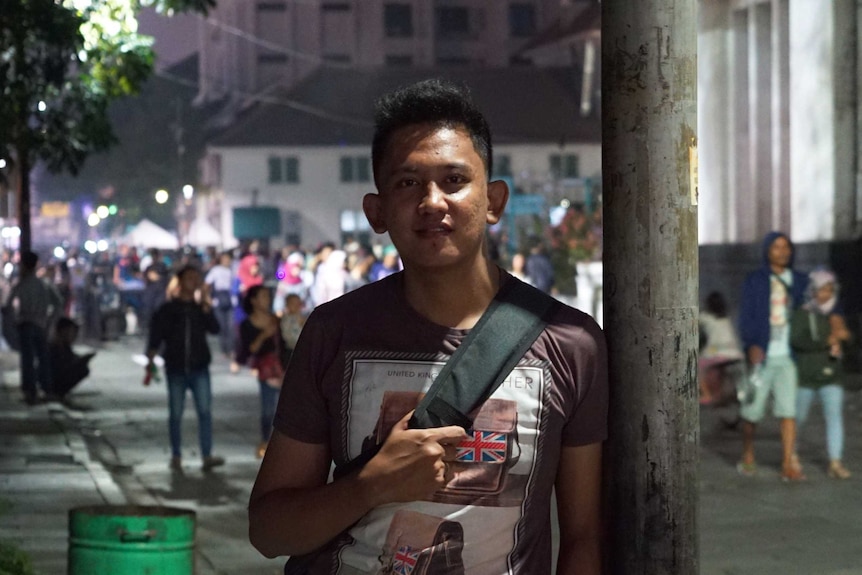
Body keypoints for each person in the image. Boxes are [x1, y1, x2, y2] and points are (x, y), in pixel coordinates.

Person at [248, 78, 608, 574]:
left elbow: (584, 541)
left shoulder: (571, 344)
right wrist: (371, 484)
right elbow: (269, 531)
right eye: (408, 183)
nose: (432, 201)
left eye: (454, 180)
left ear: (494, 201)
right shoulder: (334, 331)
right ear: (376, 212)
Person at [737, 232, 809, 481]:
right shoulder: (756, 280)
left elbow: (816, 308)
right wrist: (751, 345)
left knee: (788, 411)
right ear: (767, 250)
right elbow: (745, 315)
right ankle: (748, 453)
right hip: (762, 356)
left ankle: (788, 462)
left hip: (788, 357)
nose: (782, 251)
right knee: (751, 412)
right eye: (777, 247)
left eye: (786, 246)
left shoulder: (800, 280)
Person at [145, 265, 225, 472]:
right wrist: (152, 353)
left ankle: (207, 455)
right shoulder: (168, 308)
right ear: (180, 282)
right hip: (176, 367)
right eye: (189, 278)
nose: (193, 281)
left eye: (196, 278)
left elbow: (215, 329)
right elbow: (157, 332)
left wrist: (207, 306)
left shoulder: (200, 308)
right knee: (175, 413)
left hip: (199, 367)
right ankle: (176, 455)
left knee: (205, 412)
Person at [790, 268, 852, 479]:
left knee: (834, 417)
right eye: (821, 290)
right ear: (812, 290)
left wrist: (845, 337)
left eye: (829, 290)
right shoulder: (803, 312)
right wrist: (823, 342)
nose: (825, 295)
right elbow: (796, 340)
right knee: (798, 418)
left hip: (831, 374)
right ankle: (791, 454)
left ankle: (835, 462)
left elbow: (849, 341)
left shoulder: (837, 313)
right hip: (806, 375)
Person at [237, 285, 287, 459]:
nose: (267, 299)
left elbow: (286, 344)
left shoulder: (277, 319)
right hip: (265, 370)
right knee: (267, 409)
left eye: (268, 296)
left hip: (284, 367)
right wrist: (264, 334)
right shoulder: (247, 324)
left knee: (287, 408)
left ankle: (284, 444)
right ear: (254, 301)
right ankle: (265, 441)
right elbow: (248, 350)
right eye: (263, 296)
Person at [7, 251, 63, 404]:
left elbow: (9, 304)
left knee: (27, 359)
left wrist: (14, 321)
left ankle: (30, 392)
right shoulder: (44, 284)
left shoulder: (21, 284)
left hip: (25, 324)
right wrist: (50, 321)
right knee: (43, 358)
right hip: (41, 324)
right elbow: (58, 303)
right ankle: (46, 389)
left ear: (24, 265)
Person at [698, 291, 744, 405]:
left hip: (716, 353)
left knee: (696, 367)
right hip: (734, 353)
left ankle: (707, 395)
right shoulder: (726, 318)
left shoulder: (705, 317)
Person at [48, 317, 95, 400]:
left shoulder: (64, 345)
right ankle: (57, 392)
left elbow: (71, 357)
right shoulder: (55, 346)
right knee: (82, 369)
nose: (73, 336)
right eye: (71, 332)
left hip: (56, 377)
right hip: (52, 381)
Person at [205, 251, 235, 359]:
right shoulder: (215, 270)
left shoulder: (231, 271)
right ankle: (224, 350)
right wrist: (208, 298)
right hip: (219, 298)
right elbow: (207, 284)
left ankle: (231, 349)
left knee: (230, 327)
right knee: (222, 327)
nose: (228, 261)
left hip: (229, 299)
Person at [279, 292, 306, 365]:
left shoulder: (304, 318)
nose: (297, 306)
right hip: (292, 351)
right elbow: (287, 336)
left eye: (298, 303)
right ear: (287, 305)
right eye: (293, 303)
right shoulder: (286, 320)